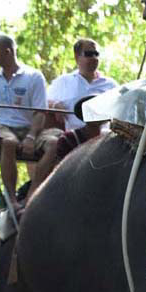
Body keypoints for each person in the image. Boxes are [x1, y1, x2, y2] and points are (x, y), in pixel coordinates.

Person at [31, 38, 117, 188]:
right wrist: (55, 104)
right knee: (56, 146)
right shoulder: (64, 82)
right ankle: (37, 190)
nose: (94, 58)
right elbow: (42, 102)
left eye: (96, 54)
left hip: (103, 134)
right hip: (75, 135)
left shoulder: (110, 84)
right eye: (89, 54)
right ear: (77, 57)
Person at [0, 34, 47, 206]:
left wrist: (31, 137)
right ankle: (11, 199)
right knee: (8, 142)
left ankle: (33, 193)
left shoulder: (33, 76)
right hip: (3, 128)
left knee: (53, 143)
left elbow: (40, 112)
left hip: (29, 128)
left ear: (7, 52)